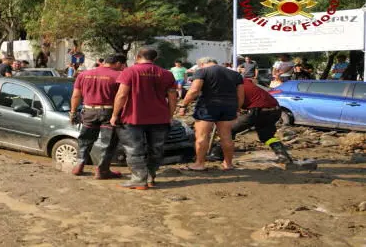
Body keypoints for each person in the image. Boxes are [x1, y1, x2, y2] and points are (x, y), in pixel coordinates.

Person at [111, 48, 178, 190]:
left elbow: (122, 95)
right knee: (156, 149)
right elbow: (173, 97)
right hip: (160, 118)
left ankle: (138, 179)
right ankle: (150, 177)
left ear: (138, 57)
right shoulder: (167, 74)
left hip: (133, 117)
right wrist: (170, 115)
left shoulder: (130, 71)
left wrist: (115, 115)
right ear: (155, 58)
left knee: (134, 149)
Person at [178, 57, 244, 171]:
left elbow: (194, 90)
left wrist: (183, 105)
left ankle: (199, 164)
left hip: (207, 107)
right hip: (229, 106)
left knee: (202, 136)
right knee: (226, 136)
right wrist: (237, 108)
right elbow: (241, 95)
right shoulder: (235, 74)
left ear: (202, 64)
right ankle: (228, 164)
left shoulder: (202, 71)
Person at [207, 78, 293, 163]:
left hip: (258, 111)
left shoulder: (230, 89)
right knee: (267, 136)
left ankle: (217, 155)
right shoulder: (243, 81)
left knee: (228, 130)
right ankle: (283, 155)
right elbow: (252, 81)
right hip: (275, 110)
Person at [70, 54, 127, 179]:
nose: (123, 67)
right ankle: (102, 170)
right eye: (123, 65)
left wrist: (73, 112)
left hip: (88, 111)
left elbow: (76, 95)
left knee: (85, 140)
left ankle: (79, 165)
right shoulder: (119, 76)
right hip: (109, 112)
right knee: (108, 143)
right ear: (118, 63)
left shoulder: (84, 74)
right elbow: (123, 97)